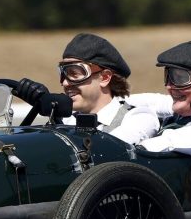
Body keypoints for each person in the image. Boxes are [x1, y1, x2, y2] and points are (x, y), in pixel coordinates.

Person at [14, 33, 157, 144]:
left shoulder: (138, 118)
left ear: (105, 78)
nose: (65, 83)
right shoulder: (67, 121)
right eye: (63, 74)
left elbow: (107, 150)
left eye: (74, 74)